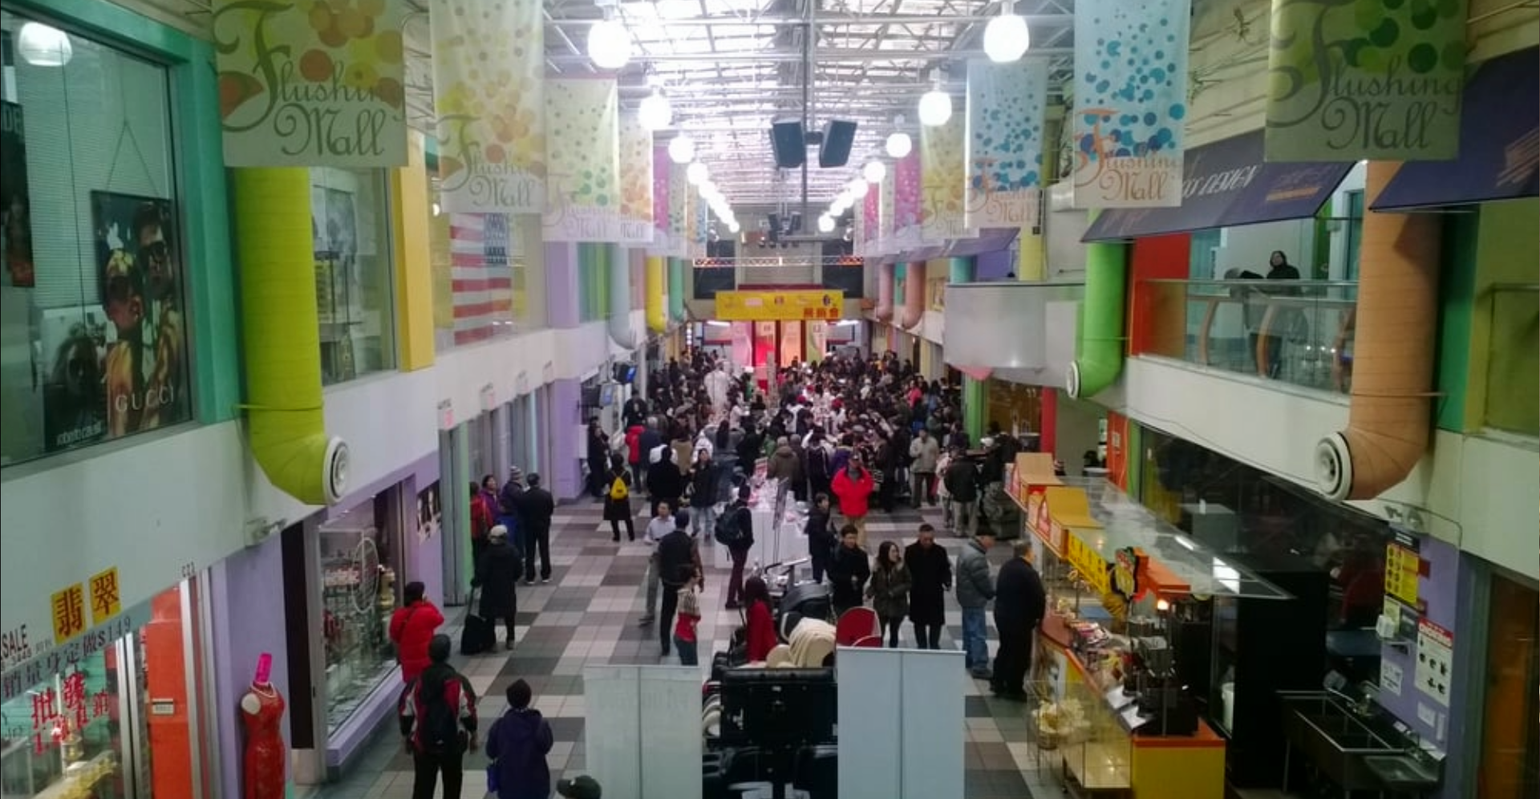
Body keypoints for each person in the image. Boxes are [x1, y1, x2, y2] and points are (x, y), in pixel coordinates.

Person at [398, 634, 478, 799]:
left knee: (423, 787)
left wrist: (406, 736)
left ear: (429, 654)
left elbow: (405, 712)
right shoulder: (458, 682)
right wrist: (473, 734)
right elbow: (467, 712)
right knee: (452, 786)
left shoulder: (416, 682)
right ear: (448, 654)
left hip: (423, 744)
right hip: (453, 744)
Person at [991, 540, 1046, 701]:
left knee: (1005, 648)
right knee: (1020, 654)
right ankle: (1014, 688)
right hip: (1020, 620)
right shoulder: (1029, 573)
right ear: (1027, 553)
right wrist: (1038, 617)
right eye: (1032, 552)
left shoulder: (1006, 567)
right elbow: (1038, 598)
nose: (1034, 555)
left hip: (1002, 616)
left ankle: (997, 681)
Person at [485, 679, 553, 799]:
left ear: (509, 700)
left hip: (508, 785)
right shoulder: (539, 724)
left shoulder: (500, 726)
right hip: (536, 784)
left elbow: (491, 752)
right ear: (529, 697)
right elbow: (546, 746)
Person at [658, 510, 705, 656]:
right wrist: (701, 580)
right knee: (685, 613)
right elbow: (696, 562)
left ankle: (665, 644)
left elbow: (660, 558)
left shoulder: (665, 540)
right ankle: (684, 637)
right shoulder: (689, 542)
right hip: (684, 584)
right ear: (687, 523)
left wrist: (663, 575)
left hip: (668, 582)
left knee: (666, 613)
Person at [956, 529, 997, 679]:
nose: (993, 542)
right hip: (974, 599)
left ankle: (968, 658)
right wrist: (991, 593)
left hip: (966, 597)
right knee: (978, 633)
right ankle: (979, 665)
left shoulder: (967, 549)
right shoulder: (976, 557)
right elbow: (982, 581)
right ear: (982, 537)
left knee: (968, 631)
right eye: (991, 538)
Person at [474, 526, 521, 651]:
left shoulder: (487, 554)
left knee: (490, 617)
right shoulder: (513, 552)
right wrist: (512, 579)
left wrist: (475, 582)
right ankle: (510, 639)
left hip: (490, 590)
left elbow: (481, 573)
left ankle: (492, 643)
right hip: (507, 588)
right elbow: (518, 570)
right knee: (509, 614)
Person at [904, 525, 952, 650]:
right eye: (925, 539)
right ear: (919, 537)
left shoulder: (940, 551)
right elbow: (906, 571)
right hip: (918, 593)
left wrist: (947, 581)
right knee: (919, 622)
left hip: (935, 592)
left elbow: (945, 569)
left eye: (931, 539)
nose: (928, 542)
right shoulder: (910, 551)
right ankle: (921, 646)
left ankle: (934, 645)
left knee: (936, 623)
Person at [390, 581, 445, 685]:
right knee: (426, 688)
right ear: (421, 595)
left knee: (412, 687)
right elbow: (440, 619)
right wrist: (427, 602)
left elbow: (394, 636)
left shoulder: (398, 615)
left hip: (407, 661)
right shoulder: (427, 612)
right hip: (426, 660)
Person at [638, 500, 675, 627]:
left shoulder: (674, 523)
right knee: (652, 584)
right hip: (656, 557)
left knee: (669, 587)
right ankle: (650, 612)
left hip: (670, 559)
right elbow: (647, 536)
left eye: (664, 508)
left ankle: (670, 611)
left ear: (670, 510)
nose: (661, 510)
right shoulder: (653, 522)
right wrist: (650, 541)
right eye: (660, 507)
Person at [867, 541, 911, 647]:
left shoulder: (902, 566)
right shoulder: (878, 567)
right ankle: (880, 652)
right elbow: (874, 584)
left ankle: (893, 652)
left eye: (896, 551)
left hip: (897, 605)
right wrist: (868, 594)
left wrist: (894, 592)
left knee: (894, 632)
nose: (896, 554)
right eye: (893, 551)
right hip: (882, 604)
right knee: (880, 632)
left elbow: (909, 582)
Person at [514, 474, 555, 585]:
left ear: (528, 482)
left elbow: (521, 512)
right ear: (538, 481)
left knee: (529, 551)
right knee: (544, 550)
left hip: (528, 527)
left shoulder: (523, 496)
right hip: (543, 526)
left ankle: (530, 576)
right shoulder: (546, 495)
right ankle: (545, 575)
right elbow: (550, 510)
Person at [830, 455, 876, 548]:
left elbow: (870, 484)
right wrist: (844, 494)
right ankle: (847, 544)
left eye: (856, 460)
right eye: (853, 460)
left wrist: (862, 493)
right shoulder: (841, 473)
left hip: (860, 505)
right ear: (849, 461)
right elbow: (834, 486)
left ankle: (860, 545)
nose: (855, 462)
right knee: (848, 526)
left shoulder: (864, 473)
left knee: (860, 526)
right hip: (848, 505)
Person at [722, 485, 755, 610]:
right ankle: (730, 600)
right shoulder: (745, 511)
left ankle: (741, 595)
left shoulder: (731, 506)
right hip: (741, 546)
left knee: (738, 569)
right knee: (737, 571)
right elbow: (748, 532)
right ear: (749, 496)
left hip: (731, 543)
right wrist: (749, 544)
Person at [828, 525, 871, 618]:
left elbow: (866, 573)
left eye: (854, 538)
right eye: (849, 538)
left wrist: (858, 581)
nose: (852, 541)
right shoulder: (836, 554)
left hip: (856, 596)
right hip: (840, 595)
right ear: (843, 538)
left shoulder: (861, 555)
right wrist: (848, 579)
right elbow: (831, 574)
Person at [943, 449, 980, 538]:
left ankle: (959, 531)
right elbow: (977, 479)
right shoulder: (972, 466)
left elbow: (947, 481)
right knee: (972, 515)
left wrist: (952, 490)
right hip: (970, 493)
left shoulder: (952, 467)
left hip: (957, 494)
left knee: (958, 514)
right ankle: (972, 532)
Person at [742, 575, 777, 662]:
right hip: (766, 649)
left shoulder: (758, 608)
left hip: (763, 653)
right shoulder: (761, 605)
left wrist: (753, 658)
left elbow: (756, 634)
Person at [686, 448, 719, 539]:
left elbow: (714, 482)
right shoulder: (694, 467)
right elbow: (689, 479)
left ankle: (707, 532)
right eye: (702, 454)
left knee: (709, 517)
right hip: (696, 494)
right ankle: (696, 528)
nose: (704, 456)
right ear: (699, 456)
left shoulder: (712, 467)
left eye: (706, 454)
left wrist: (713, 495)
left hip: (708, 494)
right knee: (694, 515)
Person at [645, 445, 686, 518]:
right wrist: (677, 495)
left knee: (656, 518)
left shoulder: (653, 467)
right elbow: (679, 484)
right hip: (671, 498)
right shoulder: (675, 469)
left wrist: (653, 492)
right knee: (672, 520)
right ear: (671, 456)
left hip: (657, 497)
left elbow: (648, 482)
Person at [804, 492, 836, 584]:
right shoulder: (816, 518)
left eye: (827, 500)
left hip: (823, 548)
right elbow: (820, 534)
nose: (827, 503)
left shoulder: (823, 513)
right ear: (819, 503)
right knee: (819, 572)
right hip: (819, 549)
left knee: (829, 570)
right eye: (825, 501)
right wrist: (831, 536)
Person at [673, 569, 703, 666]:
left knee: (685, 665)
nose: (700, 578)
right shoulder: (690, 596)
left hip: (680, 633)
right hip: (687, 636)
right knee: (691, 668)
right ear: (691, 579)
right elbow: (697, 615)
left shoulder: (681, 593)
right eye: (698, 576)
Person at [602, 457, 635, 543]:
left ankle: (617, 536)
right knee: (627, 518)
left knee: (614, 518)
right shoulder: (626, 473)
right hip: (624, 499)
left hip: (612, 499)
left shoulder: (608, 473)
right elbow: (629, 485)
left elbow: (605, 485)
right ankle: (631, 536)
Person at [909, 429, 940, 508]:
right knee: (917, 485)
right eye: (920, 432)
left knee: (930, 485)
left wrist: (936, 463)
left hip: (930, 467)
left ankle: (931, 499)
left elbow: (937, 453)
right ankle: (916, 502)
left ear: (927, 433)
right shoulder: (915, 442)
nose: (921, 434)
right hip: (919, 467)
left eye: (923, 432)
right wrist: (916, 454)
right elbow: (911, 452)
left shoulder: (933, 442)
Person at [469, 481, 496, 568]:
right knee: (482, 555)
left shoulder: (464, 505)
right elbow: (489, 520)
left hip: (469, 534)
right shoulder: (482, 503)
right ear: (477, 491)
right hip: (481, 533)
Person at [586, 420, 611, 499]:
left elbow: (606, 437)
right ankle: (597, 492)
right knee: (597, 476)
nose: (599, 433)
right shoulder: (593, 441)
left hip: (599, 460)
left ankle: (597, 490)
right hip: (596, 461)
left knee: (598, 476)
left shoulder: (597, 438)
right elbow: (598, 451)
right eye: (598, 431)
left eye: (600, 431)